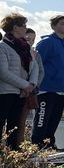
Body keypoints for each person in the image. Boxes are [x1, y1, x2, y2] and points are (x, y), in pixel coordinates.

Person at [32, 15, 64, 150]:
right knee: (42, 120)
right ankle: (37, 145)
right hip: (46, 88)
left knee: (54, 120)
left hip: (62, 89)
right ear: (54, 26)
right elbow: (36, 63)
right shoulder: (47, 42)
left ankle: (49, 144)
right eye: (62, 23)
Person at [0, 13, 39, 148]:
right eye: (23, 26)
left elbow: (35, 67)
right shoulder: (2, 46)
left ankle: (12, 155)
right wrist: (25, 85)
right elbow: (3, 72)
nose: (25, 28)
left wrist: (32, 84)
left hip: (22, 93)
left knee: (15, 126)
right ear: (15, 27)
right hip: (5, 93)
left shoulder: (26, 47)